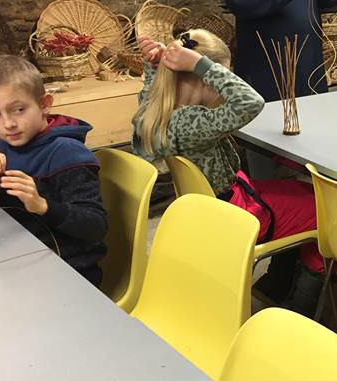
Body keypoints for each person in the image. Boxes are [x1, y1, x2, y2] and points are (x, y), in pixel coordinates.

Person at [130, 29, 325, 313]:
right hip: (237, 212)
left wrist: (155, 66)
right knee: (322, 208)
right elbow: (251, 102)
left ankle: (276, 283)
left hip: (215, 205)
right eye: (221, 76)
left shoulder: (156, 115)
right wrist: (202, 65)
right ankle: (303, 306)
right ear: (204, 79)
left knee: (301, 189)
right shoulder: (192, 123)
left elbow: (150, 94)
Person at [0, 55, 108, 286]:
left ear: (45, 104)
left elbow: (96, 226)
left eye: (18, 109)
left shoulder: (68, 155)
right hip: (19, 258)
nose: (8, 124)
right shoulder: (5, 148)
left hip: (71, 274)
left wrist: (42, 206)